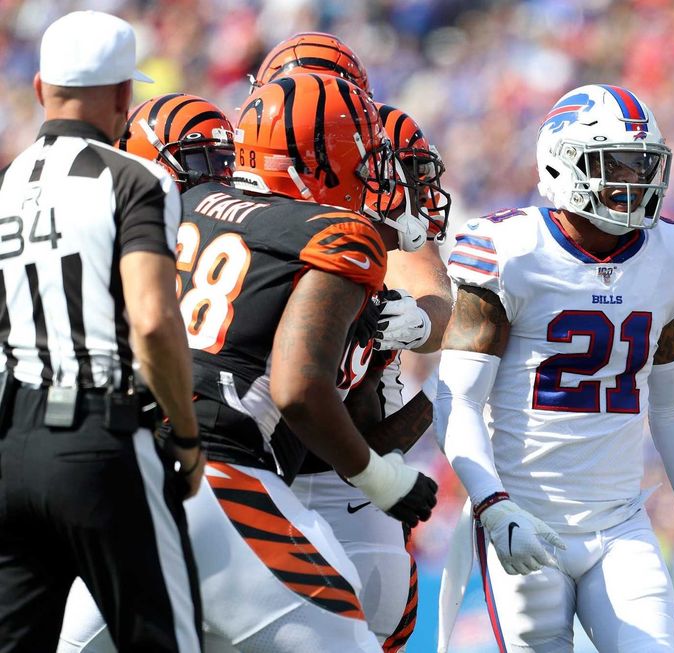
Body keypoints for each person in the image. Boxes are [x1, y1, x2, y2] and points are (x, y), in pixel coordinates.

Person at [59, 72, 439, 653]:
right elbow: (297, 389)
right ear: (316, 161)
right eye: (364, 159)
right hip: (220, 484)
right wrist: (381, 478)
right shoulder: (336, 235)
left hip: (121, 478)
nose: (375, 176)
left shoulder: (183, 204)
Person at [434, 83, 674, 652]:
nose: (634, 180)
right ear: (561, 165)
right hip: (526, 517)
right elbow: (456, 397)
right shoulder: (512, 249)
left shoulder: (672, 254)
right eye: (615, 164)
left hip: (621, 522)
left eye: (643, 164)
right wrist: (493, 504)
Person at [0, 10, 203, 653]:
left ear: (40, 88)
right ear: (122, 95)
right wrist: (186, 433)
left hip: (11, 444)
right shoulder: (135, 177)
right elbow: (152, 319)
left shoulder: (9, 181)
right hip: (98, 434)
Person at [251, 33, 454, 650]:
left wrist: (414, 321)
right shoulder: (242, 176)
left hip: (350, 457)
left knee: (373, 619)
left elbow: (435, 295)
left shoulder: (380, 151)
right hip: (260, 452)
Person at [58, 94, 236, 653]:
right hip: (103, 457)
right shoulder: (118, 236)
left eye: (226, 161)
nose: (219, 179)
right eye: (201, 162)